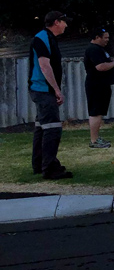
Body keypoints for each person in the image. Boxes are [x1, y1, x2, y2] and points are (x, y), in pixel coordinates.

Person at [29, 11, 72, 180]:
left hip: (41, 90)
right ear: (56, 22)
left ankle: (39, 164)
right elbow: (44, 66)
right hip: (43, 90)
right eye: (64, 22)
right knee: (53, 129)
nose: (66, 25)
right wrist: (56, 90)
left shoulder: (47, 38)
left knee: (42, 127)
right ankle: (50, 168)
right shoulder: (42, 38)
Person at [84, 27, 114, 148]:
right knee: (95, 112)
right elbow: (100, 67)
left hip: (102, 84)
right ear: (97, 37)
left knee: (99, 112)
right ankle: (94, 141)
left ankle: (96, 138)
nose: (107, 40)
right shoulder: (93, 50)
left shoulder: (100, 49)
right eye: (105, 37)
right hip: (96, 85)